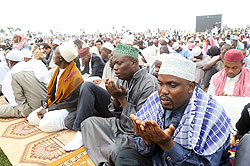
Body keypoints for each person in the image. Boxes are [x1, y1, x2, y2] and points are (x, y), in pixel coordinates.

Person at [116, 53, 232, 166]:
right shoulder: (155, 100)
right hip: (162, 160)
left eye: (172, 85)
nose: (164, 91)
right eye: (160, 83)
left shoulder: (210, 114)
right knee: (126, 157)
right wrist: (147, 140)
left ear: (190, 86)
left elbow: (207, 163)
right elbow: (142, 149)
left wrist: (168, 144)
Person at [63, 44, 158, 166]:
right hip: (120, 124)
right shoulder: (122, 78)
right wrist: (115, 97)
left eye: (119, 64)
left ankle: (106, 156)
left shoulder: (149, 84)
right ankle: (105, 154)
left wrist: (121, 98)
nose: (116, 68)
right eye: (114, 65)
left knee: (116, 150)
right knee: (88, 123)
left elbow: (141, 124)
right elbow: (115, 113)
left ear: (134, 63)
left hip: (134, 133)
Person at [27, 41, 84, 132]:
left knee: (44, 125)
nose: (52, 56)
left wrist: (48, 110)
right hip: (54, 105)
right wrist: (45, 106)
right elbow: (51, 94)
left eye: (54, 54)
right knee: (32, 118)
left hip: (67, 109)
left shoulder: (76, 77)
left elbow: (69, 103)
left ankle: (64, 124)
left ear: (61, 58)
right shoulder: (57, 70)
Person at [0, 49, 49, 117]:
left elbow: (17, 98)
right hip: (47, 104)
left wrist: (27, 113)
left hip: (33, 109)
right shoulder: (36, 65)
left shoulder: (13, 73)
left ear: (11, 62)